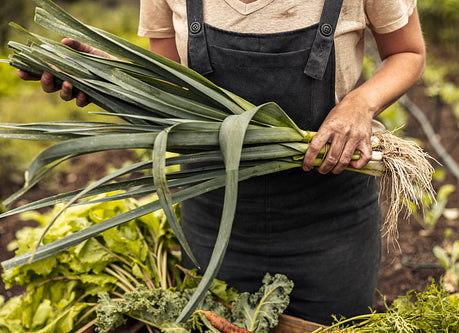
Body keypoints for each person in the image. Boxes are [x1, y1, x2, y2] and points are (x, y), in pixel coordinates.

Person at [19, 0, 425, 325]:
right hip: (215, 218)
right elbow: (173, 88)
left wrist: (359, 104)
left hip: (330, 222)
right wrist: (111, 81)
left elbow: (408, 51)